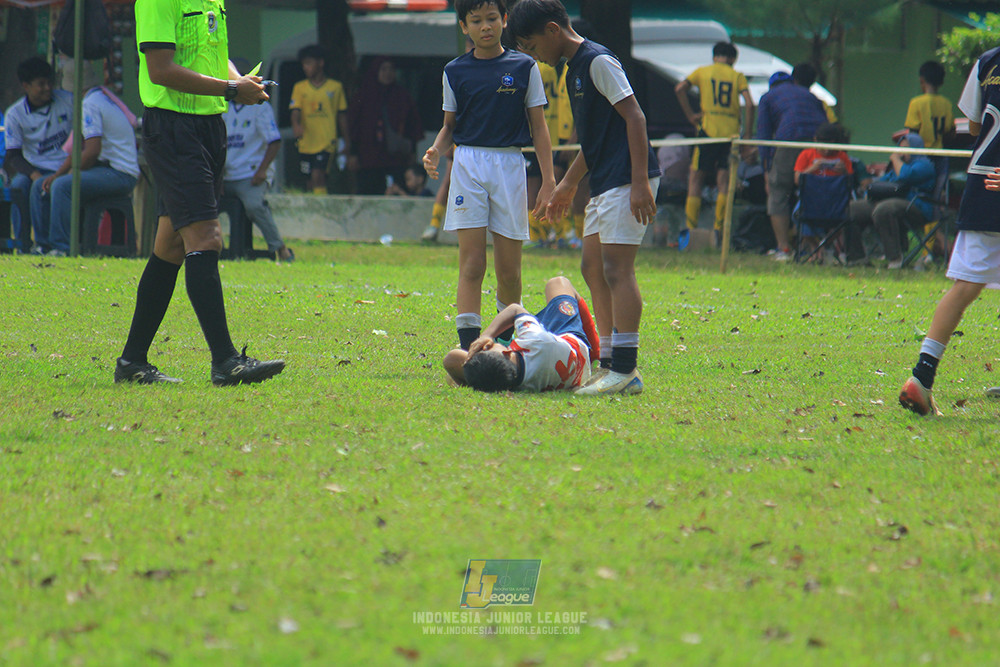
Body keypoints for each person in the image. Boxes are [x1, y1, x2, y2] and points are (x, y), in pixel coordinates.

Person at [117, 0, 285, 386]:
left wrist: (240, 80)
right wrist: (230, 88)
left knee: (171, 246)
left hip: (209, 128)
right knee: (206, 238)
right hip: (174, 130)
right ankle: (226, 362)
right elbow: (159, 71)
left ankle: (131, 363)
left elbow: (213, 58)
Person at [510, 0, 660, 396]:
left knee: (616, 270)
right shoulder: (572, 72)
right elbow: (592, 142)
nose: (532, 55)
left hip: (627, 179)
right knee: (592, 266)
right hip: (607, 179)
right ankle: (608, 362)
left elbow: (636, 117)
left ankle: (626, 371)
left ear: (553, 31)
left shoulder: (597, 61)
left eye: (531, 45)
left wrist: (640, 180)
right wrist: (567, 185)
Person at [423, 0, 555, 352]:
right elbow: (449, 126)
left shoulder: (525, 66)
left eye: (492, 18)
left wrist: (549, 180)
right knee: (472, 263)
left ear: (505, 20)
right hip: (468, 165)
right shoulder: (454, 71)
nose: (486, 26)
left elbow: (539, 128)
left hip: (509, 165)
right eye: (476, 20)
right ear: (464, 26)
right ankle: (468, 350)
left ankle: (506, 347)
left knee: (509, 271)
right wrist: (436, 149)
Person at [899, 47, 1000, 416]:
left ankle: (921, 378)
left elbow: (974, 125)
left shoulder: (989, 61)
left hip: (981, 183)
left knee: (964, 287)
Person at [443, 276, 595, 392]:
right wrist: (486, 335)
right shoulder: (536, 340)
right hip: (571, 343)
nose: (487, 346)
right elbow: (514, 309)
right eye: (490, 348)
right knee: (558, 283)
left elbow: (450, 359)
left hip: (561, 366)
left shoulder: (510, 383)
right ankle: (598, 350)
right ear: (508, 353)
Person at [43, 81, 140, 257]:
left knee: (62, 186)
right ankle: (42, 246)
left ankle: (60, 247)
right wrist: (57, 174)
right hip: (112, 171)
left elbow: (92, 151)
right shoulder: (101, 98)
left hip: (119, 174)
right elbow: (78, 150)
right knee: (44, 185)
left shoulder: (91, 104)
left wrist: (64, 177)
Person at [674, 42, 753, 243]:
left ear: (714, 56)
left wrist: (691, 115)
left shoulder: (702, 72)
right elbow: (750, 103)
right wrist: (748, 137)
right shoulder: (737, 76)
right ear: (733, 59)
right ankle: (719, 232)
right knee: (724, 182)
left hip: (707, 132)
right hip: (731, 134)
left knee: (696, 178)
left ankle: (691, 231)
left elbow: (680, 88)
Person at [222, 61, 293, 262]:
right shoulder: (222, 106)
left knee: (254, 206)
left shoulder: (260, 107)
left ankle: (280, 249)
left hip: (250, 174)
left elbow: (274, 141)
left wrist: (262, 171)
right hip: (226, 174)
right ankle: (213, 248)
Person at [2, 57, 73, 254]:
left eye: (49, 82)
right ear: (26, 86)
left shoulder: (68, 101)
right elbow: (14, 155)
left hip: (65, 165)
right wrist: (35, 175)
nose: (47, 88)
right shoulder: (15, 114)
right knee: (18, 186)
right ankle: (23, 243)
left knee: (42, 188)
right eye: (41, 84)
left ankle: (45, 244)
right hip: (34, 167)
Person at [756, 69, 828, 260]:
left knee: (778, 191)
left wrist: (766, 168)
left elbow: (763, 136)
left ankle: (784, 249)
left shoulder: (768, 97)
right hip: (819, 143)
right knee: (812, 191)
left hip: (789, 140)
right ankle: (812, 247)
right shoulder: (810, 95)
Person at [843, 132, 935, 268]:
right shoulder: (897, 167)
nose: (900, 153)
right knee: (851, 209)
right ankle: (857, 258)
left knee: (884, 209)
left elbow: (905, 176)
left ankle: (895, 258)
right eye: (899, 149)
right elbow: (883, 181)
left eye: (905, 149)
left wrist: (896, 159)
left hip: (916, 206)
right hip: (889, 201)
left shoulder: (924, 164)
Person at [348, 57, 423, 196]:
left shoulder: (402, 96)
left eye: (391, 69)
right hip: (369, 157)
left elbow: (412, 125)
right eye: (384, 69)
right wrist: (353, 153)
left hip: (396, 158)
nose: (388, 73)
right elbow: (354, 126)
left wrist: (412, 152)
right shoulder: (364, 95)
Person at [289, 45, 349, 195]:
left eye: (309, 63)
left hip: (326, 141)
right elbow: (295, 110)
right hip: (306, 142)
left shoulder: (335, 87)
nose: (305, 67)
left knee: (318, 175)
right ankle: (313, 209)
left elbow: (342, 115)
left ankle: (321, 208)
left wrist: (347, 141)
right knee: (309, 180)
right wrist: (296, 125)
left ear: (320, 63)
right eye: (304, 64)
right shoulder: (300, 87)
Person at [792, 122, 853, 259]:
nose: (826, 152)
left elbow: (850, 182)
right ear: (815, 140)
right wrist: (812, 169)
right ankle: (816, 248)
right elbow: (797, 179)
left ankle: (823, 247)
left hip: (834, 201)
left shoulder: (842, 156)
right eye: (823, 146)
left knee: (844, 217)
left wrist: (843, 171)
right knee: (797, 215)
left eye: (830, 146)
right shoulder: (806, 154)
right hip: (811, 200)